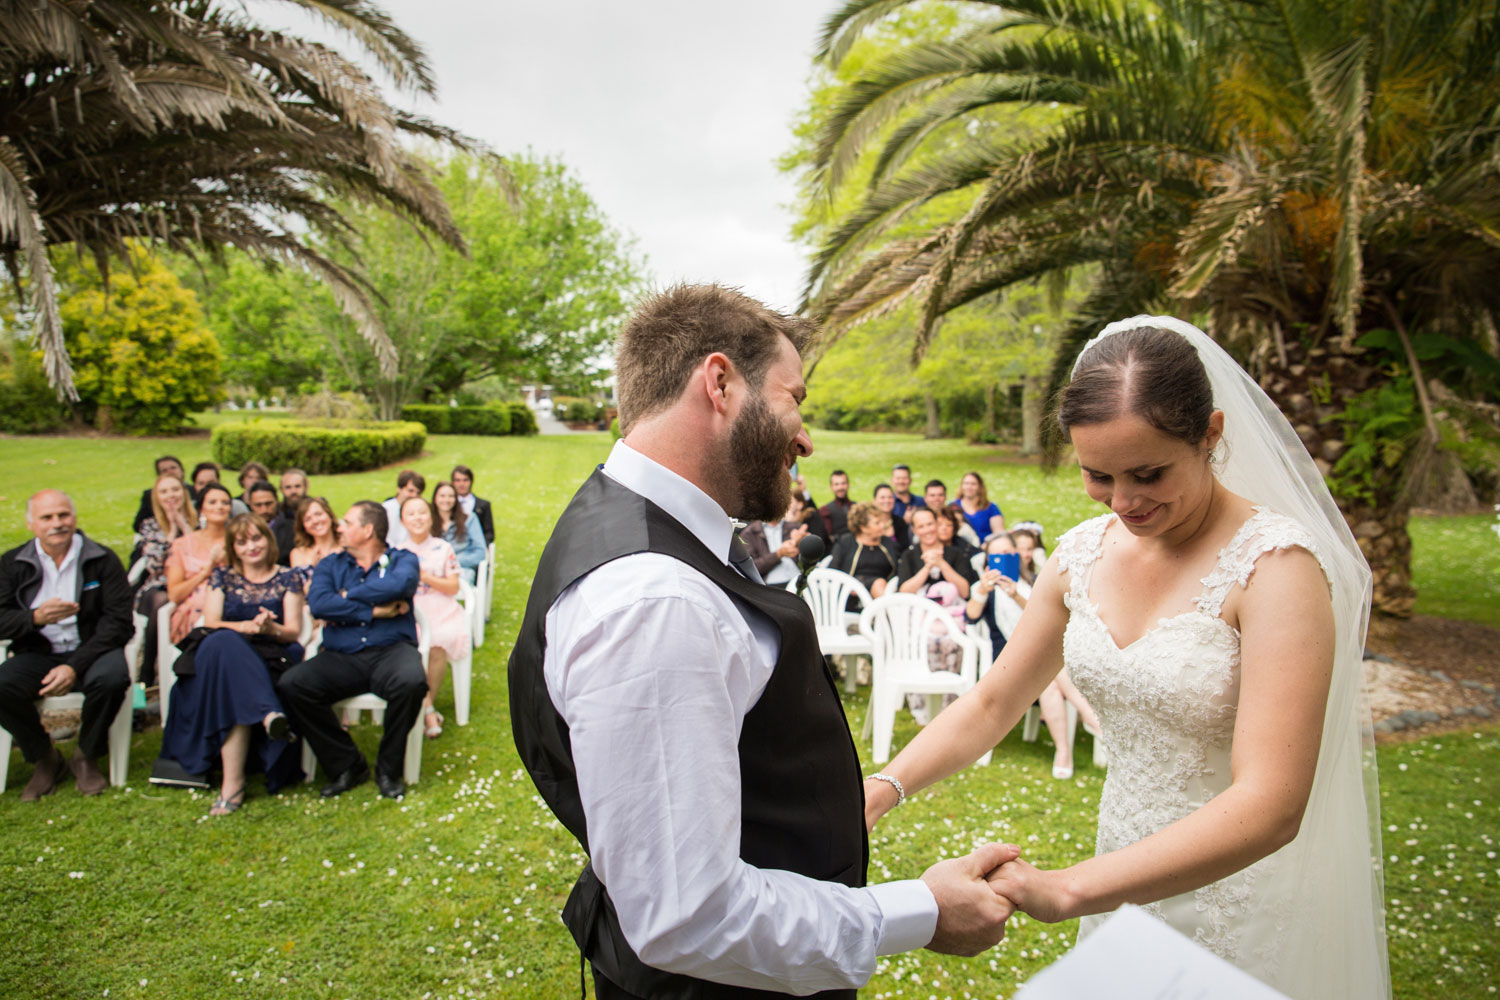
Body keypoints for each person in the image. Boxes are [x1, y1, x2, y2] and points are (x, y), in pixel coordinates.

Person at [508, 284, 1019, 999]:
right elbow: (688, 915)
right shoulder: (656, 600)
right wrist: (924, 913)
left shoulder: (660, 532)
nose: (805, 436)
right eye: (793, 399)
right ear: (719, 383)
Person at [864, 317, 1389, 999]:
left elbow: (1271, 802)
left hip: (1239, 896)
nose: (1124, 502)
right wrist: (885, 787)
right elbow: (995, 701)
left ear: (1211, 433)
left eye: (1148, 473)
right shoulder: (1081, 554)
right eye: (1098, 475)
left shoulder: (1275, 569)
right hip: (1123, 876)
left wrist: (1071, 888)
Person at [277, 501, 426, 800]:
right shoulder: (330, 564)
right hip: (340, 656)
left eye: (346, 522)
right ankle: (346, 764)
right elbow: (319, 604)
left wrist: (346, 596)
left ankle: (388, 768)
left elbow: (401, 585)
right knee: (293, 684)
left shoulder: (402, 559)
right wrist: (373, 613)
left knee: (412, 681)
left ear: (368, 530)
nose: (339, 527)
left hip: (392, 650)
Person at [156, 514, 304, 814]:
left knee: (233, 685)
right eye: (242, 542)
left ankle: (232, 786)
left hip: (267, 655)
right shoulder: (222, 576)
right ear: (233, 548)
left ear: (268, 539)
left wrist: (269, 629)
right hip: (219, 653)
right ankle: (268, 714)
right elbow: (212, 622)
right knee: (224, 642)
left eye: (257, 538)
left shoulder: (288, 577)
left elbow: (293, 630)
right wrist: (245, 627)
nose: (251, 547)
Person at [0, 490, 133, 800]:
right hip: (38, 652)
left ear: (74, 518)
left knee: (113, 679)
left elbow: (118, 623)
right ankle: (44, 756)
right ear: (31, 523)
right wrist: (34, 618)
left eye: (63, 515)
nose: (57, 523)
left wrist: (73, 666)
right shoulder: (12, 564)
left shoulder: (101, 559)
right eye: (47, 517)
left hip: (92, 650)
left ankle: (86, 754)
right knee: (1, 685)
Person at [394, 496, 471, 740]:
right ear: (403, 520)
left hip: (442, 609)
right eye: (411, 514)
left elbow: (452, 586)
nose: (418, 518)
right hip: (410, 611)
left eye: (422, 512)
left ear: (431, 517)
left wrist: (424, 576)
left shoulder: (442, 547)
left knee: (437, 644)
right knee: (409, 646)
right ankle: (428, 711)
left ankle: (426, 706)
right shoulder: (397, 552)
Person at [135, 473, 198, 682]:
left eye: (175, 489)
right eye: (164, 491)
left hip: (192, 584)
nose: (170, 495)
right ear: (156, 497)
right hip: (159, 586)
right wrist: (171, 532)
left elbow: (199, 556)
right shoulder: (150, 525)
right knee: (161, 602)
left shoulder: (200, 520)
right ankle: (148, 670)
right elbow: (154, 566)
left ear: (184, 492)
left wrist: (184, 525)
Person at [165, 483, 232, 644]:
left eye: (225, 502)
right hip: (193, 611)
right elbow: (174, 594)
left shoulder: (240, 541)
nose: (220, 507)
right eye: (212, 502)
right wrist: (205, 573)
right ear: (202, 508)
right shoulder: (183, 544)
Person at [896, 508, 977, 602]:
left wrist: (941, 564)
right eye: (921, 527)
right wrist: (927, 567)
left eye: (930, 524)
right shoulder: (909, 555)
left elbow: (965, 592)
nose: (927, 530)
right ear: (914, 530)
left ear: (936, 524)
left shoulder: (956, 553)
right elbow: (903, 593)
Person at [828, 502, 899, 599]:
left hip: (883, 590)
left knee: (880, 584)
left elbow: (898, 569)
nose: (882, 526)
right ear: (863, 528)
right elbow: (833, 571)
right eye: (877, 523)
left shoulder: (887, 543)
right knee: (879, 584)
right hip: (850, 594)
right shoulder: (845, 542)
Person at [739, 505, 808, 589]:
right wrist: (779, 554)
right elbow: (751, 568)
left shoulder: (794, 527)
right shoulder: (750, 533)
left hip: (797, 578)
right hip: (771, 585)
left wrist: (803, 543)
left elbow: (810, 559)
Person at [432, 481, 486, 586]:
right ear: (435, 498)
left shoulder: (469, 519)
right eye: (442, 496)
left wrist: (452, 563)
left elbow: (480, 552)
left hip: (462, 571)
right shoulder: (428, 521)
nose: (446, 500)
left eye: (451, 496)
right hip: (434, 572)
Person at [288, 496, 341, 587]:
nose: (315, 521)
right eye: (308, 519)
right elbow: (303, 591)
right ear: (303, 527)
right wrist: (312, 567)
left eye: (318, 514)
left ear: (329, 516)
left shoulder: (347, 548)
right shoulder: (298, 554)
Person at [132, 454, 189, 533]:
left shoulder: (193, 490)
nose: (170, 472)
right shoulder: (150, 496)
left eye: (173, 468)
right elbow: (137, 525)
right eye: (164, 470)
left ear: (182, 470)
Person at [450, 465, 495, 547]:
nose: (461, 484)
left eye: (465, 480)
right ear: (453, 482)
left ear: (471, 481)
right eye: (457, 480)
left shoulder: (483, 505)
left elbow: (489, 534)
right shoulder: (448, 504)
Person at [272, 469, 309, 564]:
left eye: (297, 486)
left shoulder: (316, 510)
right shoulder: (276, 514)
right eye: (288, 487)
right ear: (281, 490)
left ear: (306, 487)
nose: (293, 491)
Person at [952, 471, 1004, 541]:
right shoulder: (953, 507)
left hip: (986, 547)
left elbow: (999, 534)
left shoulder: (991, 508)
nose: (969, 487)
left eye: (973, 484)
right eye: (966, 483)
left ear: (979, 487)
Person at [381, 470, 425, 548]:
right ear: (399, 489)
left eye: (418, 493)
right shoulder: (386, 509)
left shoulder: (422, 511)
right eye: (410, 491)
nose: (414, 495)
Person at [871, 483, 912, 550]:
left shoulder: (900, 522)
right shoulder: (868, 523)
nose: (887, 501)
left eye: (890, 497)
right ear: (874, 501)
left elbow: (904, 549)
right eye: (882, 497)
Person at [819, 469, 855, 540]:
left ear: (848, 485)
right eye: (836, 484)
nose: (840, 487)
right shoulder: (825, 510)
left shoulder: (857, 507)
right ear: (831, 487)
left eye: (843, 483)